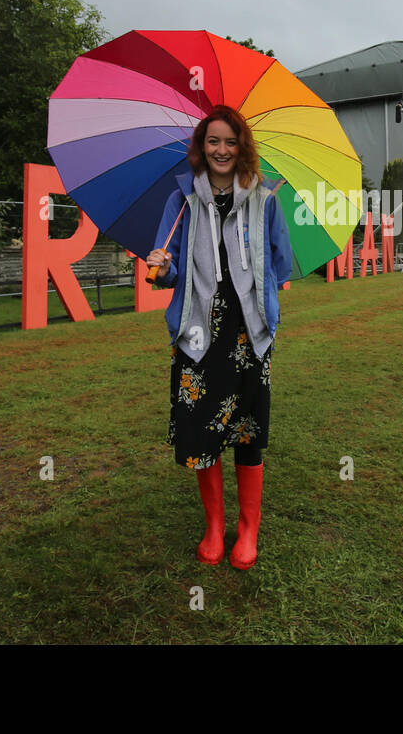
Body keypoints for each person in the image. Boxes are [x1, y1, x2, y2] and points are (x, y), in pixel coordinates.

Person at [146, 106, 293, 570]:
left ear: (242, 145)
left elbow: (281, 263)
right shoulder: (181, 200)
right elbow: (166, 272)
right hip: (197, 329)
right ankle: (215, 525)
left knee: (248, 430)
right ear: (201, 146)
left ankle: (248, 529)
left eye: (230, 141)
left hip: (248, 331)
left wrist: (258, 285)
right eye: (213, 141)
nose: (222, 150)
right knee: (200, 429)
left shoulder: (265, 199)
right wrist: (162, 266)